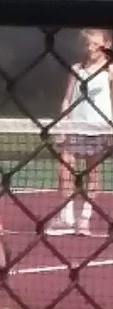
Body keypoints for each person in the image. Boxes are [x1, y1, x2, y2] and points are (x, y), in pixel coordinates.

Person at [46, 28, 113, 237]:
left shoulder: (110, 70)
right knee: (64, 171)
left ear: (106, 45)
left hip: (98, 128)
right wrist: (63, 123)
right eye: (88, 44)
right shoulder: (76, 68)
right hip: (74, 126)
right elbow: (67, 98)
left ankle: (84, 219)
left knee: (92, 174)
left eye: (96, 44)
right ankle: (67, 216)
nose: (91, 48)